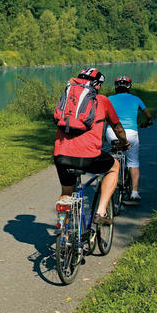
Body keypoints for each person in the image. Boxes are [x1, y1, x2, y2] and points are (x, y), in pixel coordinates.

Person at [54, 68, 128, 224]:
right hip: (88, 157)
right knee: (114, 167)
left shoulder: (68, 100)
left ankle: (63, 230)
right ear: (97, 85)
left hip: (61, 155)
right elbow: (118, 128)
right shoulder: (102, 100)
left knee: (66, 193)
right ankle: (101, 212)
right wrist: (124, 143)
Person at [106, 75, 153, 205]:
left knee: (113, 157)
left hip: (112, 132)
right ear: (129, 87)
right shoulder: (136, 99)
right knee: (133, 162)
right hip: (131, 133)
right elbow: (147, 114)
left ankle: (110, 183)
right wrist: (148, 121)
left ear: (116, 87)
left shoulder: (109, 99)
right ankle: (134, 192)